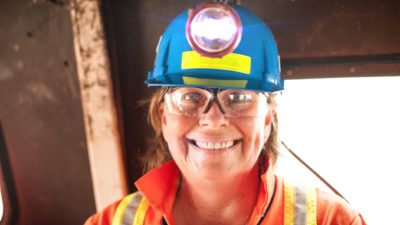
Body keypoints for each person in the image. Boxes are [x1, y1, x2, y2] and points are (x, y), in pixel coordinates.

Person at [85, 1, 367, 225]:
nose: (213, 119)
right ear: (164, 117)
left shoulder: (333, 221)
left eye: (239, 98)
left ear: (267, 120)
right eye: (191, 97)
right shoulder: (111, 222)